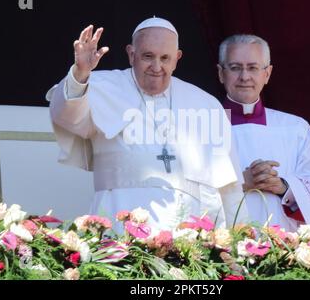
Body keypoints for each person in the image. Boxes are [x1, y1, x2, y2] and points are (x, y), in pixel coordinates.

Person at [46, 17, 247, 232]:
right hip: (119, 227)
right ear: (131, 54)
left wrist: (239, 241)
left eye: (165, 58)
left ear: (177, 59)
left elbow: (230, 187)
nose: (156, 67)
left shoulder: (205, 104)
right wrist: (80, 73)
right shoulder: (99, 86)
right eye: (148, 56)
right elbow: (66, 116)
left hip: (189, 237)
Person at [218, 34, 310, 232]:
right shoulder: (202, 126)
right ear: (221, 73)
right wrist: (242, 182)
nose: (244, 76)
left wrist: (284, 186)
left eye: (253, 67)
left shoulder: (294, 128)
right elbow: (185, 188)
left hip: (283, 249)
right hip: (221, 250)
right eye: (235, 67)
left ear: (267, 74)